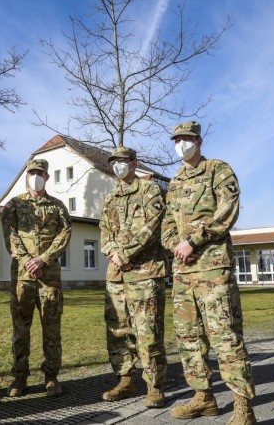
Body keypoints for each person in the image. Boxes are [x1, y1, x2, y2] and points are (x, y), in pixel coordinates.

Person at [161, 121, 256, 424]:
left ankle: (243, 407)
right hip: (183, 272)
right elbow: (166, 226)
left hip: (213, 269)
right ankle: (204, 398)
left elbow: (227, 211)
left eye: (186, 139)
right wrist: (175, 245)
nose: (181, 144)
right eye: (177, 140)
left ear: (199, 141)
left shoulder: (218, 170)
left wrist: (192, 240)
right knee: (188, 338)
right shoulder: (174, 182)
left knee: (225, 337)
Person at [99, 146, 168, 408]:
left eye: (122, 161)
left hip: (145, 272)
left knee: (148, 331)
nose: (118, 165)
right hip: (116, 274)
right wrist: (113, 253)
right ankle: (125, 380)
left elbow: (151, 227)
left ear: (133, 163)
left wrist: (126, 253)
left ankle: (155, 386)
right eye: (114, 161)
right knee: (118, 330)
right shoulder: (110, 197)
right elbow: (104, 230)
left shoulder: (150, 191)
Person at [1, 158, 72, 398]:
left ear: (47, 177)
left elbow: (64, 235)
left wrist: (43, 259)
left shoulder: (58, 206)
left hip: (49, 277)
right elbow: (10, 236)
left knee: (51, 328)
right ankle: (19, 378)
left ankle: (51, 377)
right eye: (32, 172)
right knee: (20, 329)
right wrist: (27, 262)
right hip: (23, 277)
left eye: (40, 172)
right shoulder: (14, 205)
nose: (36, 176)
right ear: (26, 176)